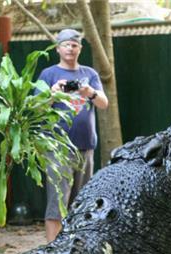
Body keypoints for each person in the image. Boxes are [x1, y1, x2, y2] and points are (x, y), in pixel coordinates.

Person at [38, 28, 109, 242]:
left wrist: (90, 92)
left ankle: (76, 250)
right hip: (57, 150)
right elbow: (36, 109)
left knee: (83, 204)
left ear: (80, 48)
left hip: (85, 149)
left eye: (75, 44)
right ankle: (52, 253)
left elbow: (104, 104)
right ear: (58, 48)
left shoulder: (90, 74)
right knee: (57, 204)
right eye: (66, 44)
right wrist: (53, 93)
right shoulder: (48, 74)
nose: (70, 47)